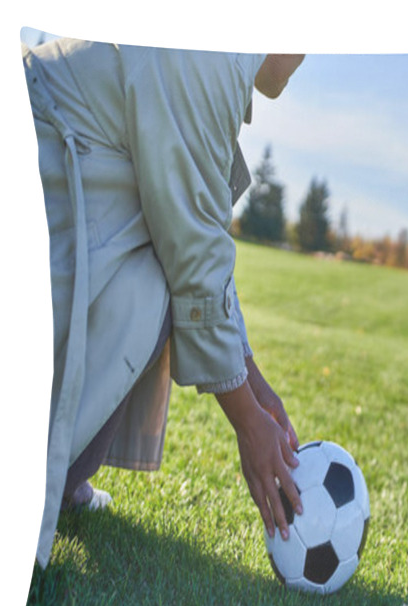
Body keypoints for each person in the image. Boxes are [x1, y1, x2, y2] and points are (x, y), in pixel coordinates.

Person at [22, 37, 305, 568]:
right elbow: (192, 253)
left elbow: (198, 240)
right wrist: (247, 420)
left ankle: (64, 478)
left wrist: (255, 384)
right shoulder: (211, 49)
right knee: (157, 288)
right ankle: (38, 479)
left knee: (160, 283)